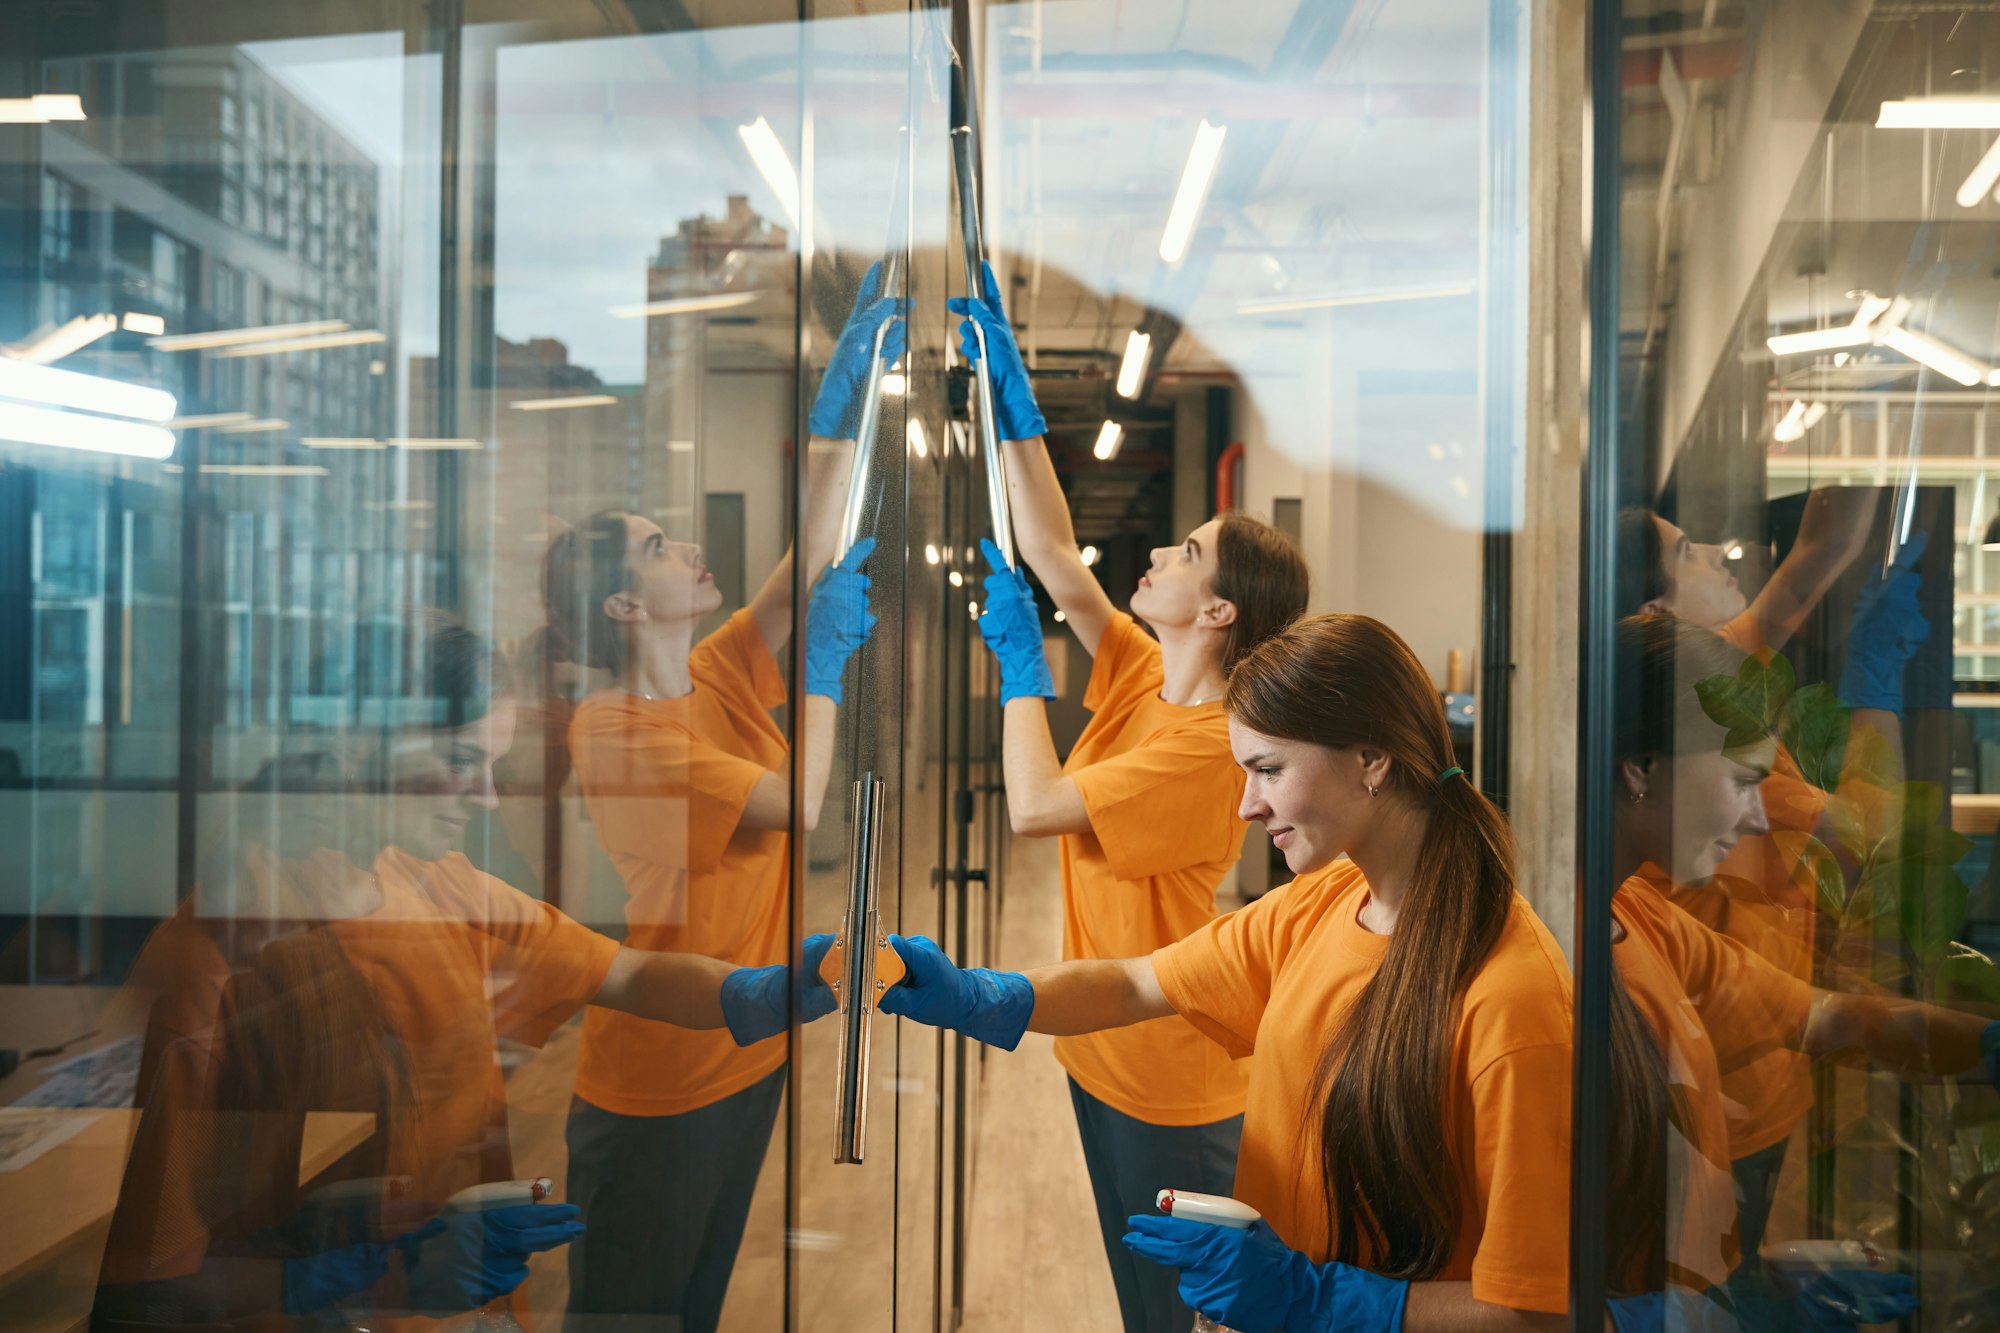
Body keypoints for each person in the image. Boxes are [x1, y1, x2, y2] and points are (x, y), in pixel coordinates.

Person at [93, 618, 846, 1330]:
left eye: (491, 764)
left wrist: (756, 991)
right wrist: (352, 1278)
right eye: (459, 760)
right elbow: (148, 1286)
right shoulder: (223, 957)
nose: (486, 796)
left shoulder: (436, 882)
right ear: (354, 744)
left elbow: (628, 974)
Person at [878, 613, 1578, 1331]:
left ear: (1372, 758)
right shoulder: (1325, 900)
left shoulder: (1512, 998)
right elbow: (1135, 983)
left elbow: (1532, 1311)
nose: (1247, 805)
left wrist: (1321, 1300)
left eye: (1268, 769)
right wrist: (981, 994)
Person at [951, 262, 1310, 1333]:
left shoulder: (1206, 742)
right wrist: (1008, 405)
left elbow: (1034, 806)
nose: (1156, 553)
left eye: (1184, 553)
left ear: (1220, 613)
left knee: (1176, 1317)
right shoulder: (1137, 673)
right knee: (1137, 1305)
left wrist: (1019, 675)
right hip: (1103, 1043)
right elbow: (1057, 555)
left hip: (1168, 1072)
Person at [548, 265, 897, 1333]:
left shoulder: (711, 670)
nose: (688, 549)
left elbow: (802, 572)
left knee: (690, 1310)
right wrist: (826, 670)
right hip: (659, 1079)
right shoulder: (613, 729)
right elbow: (796, 801)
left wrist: (847, 400)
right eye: (660, 548)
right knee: (629, 1316)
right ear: (618, 601)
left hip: (745, 1045)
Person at [1600, 612, 2000, 1328]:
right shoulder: (1551, 956)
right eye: (1741, 782)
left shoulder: (1643, 920)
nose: (1760, 817)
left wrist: (1987, 1046)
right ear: (1640, 768)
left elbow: (1828, 1015)